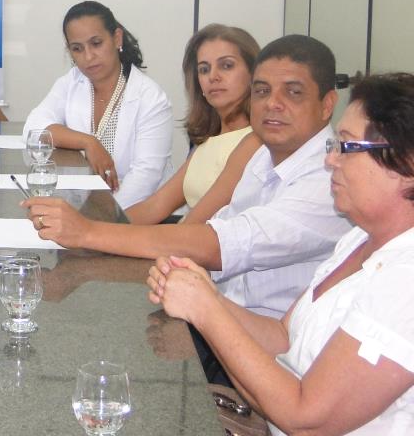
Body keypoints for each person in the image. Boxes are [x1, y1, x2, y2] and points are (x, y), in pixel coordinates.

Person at [149, 73, 414, 435]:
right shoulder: (359, 240)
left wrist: (205, 310)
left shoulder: (406, 280)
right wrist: (206, 293)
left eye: (347, 148)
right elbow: (283, 338)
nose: (330, 162)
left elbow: (306, 419)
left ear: (407, 165)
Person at [24, 34, 352, 319]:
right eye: (263, 91)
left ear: (327, 105)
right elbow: (201, 225)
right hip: (216, 305)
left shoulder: (328, 179)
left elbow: (216, 242)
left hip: (264, 343)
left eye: (293, 93)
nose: (273, 104)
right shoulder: (263, 156)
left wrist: (88, 232)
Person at [23, 1, 172, 208]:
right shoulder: (72, 82)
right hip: (83, 209)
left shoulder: (150, 97)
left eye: (96, 43)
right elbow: (33, 128)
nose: (88, 56)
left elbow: (146, 178)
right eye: (77, 49)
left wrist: (99, 221)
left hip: (138, 216)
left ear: (116, 38)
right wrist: (88, 142)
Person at [125, 24, 263, 225]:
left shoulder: (257, 141)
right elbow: (155, 206)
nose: (213, 77)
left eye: (226, 65)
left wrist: (93, 235)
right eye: (204, 69)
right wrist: (95, 228)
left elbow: (194, 226)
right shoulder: (208, 142)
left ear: (254, 73)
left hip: (195, 249)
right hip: (179, 245)